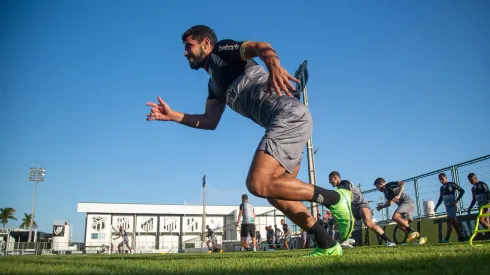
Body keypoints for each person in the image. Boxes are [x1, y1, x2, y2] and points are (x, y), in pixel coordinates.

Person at [146, 25, 353, 257]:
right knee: (277, 193)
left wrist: (274, 66)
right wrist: (172, 116)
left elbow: (261, 47)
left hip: (288, 115)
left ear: (205, 42)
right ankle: (327, 244)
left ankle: (336, 197)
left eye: (188, 46)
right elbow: (209, 120)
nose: (185, 53)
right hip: (285, 122)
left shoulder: (221, 51)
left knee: (257, 183)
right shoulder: (213, 85)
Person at [329, 171, 396, 247]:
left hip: (361, 204)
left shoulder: (345, 183)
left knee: (369, 223)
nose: (329, 182)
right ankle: (345, 240)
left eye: (330, 179)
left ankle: (389, 241)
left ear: (335, 178)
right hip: (353, 208)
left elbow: (348, 194)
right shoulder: (339, 188)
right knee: (341, 221)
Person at [374, 178, 427, 244]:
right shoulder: (386, 193)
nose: (377, 189)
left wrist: (399, 195)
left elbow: (403, 183)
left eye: (377, 187)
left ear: (381, 184)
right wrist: (381, 207)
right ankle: (420, 238)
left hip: (407, 202)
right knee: (401, 227)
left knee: (395, 217)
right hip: (403, 205)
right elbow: (390, 203)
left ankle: (414, 232)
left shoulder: (390, 185)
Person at [434, 173, 465, 242]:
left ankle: (446, 238)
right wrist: (436, 206)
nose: (441, 181)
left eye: (442, 179)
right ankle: (461, 238)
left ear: (446, 178)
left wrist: (456, 200)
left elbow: (462, 191)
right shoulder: (441, 188)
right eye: (440, 180)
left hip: (452, 206)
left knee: (449, 221)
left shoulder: (452, 184)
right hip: (447, 207)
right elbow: (441, 198)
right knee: (455, 223)